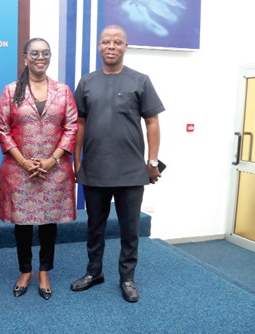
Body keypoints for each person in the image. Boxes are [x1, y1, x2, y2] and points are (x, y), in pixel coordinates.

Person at [70, 25, 164, 303]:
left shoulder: (141, 81)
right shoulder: (87, 82)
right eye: (105, 42)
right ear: (99, 46)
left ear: (125, 46)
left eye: (117, 42)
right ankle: (94, 272)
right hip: (95, 169)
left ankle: (127, 278)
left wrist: (152, 162)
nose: (111, 46)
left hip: (131, 171)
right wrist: (77, 161)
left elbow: (152, 122)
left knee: (130, 230)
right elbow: (80, 124)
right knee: (94, 227)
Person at [0, 38, 78, 300]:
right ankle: (25, 270)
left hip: (55, 169)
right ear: (25, 58)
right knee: (23, 223)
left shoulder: (63, 91)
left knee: (48, 222)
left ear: (50, 57)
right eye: (34, 53)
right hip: (21, 170)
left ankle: (44, 271)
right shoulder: (11, 91)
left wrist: (52, 160)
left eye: (45, 53)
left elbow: (72, 126)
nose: (40, 57)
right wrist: (23, 161)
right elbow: (2, 129)